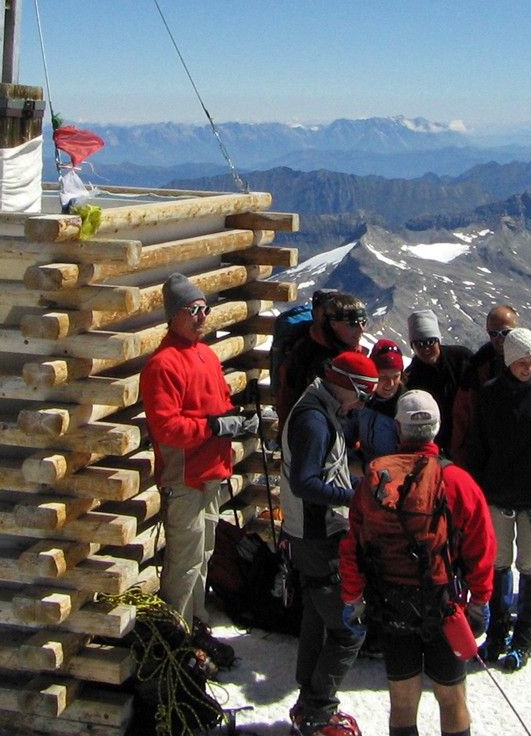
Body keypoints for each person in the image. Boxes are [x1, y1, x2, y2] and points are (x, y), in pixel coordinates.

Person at [341, 391, 496, 736]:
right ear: (436, 429)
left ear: (399, 429)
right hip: (444, 603)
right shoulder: (456, 480)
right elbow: (481, 546)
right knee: (452, 697)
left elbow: (353, 542)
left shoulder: (377, 480)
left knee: (402, 701)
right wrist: (481, 600)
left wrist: (353, 598)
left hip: (390, 600)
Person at [142, 273, 266, 671]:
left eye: (204, 308)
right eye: (192, 310)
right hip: (184, 476)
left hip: (211, 471)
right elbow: (167, 429)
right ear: (172, 316)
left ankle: (195, 623)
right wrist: (215, 427)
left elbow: (216, 407)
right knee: (184, 559)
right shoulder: (163, 365)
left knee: (204, 553)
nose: (201, 316)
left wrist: (235, 421)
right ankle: (174, 638)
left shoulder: (205, 355)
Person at [461, 326, 531, 672]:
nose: (528, 367)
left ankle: (525, 638)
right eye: (522, 361)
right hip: (497, 495)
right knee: (498, 565)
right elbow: (477, 445)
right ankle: (497, 633)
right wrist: (473, 491)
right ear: (509, 359)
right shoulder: (490, 394)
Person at [282, 350, 379, 736]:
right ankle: (318, 709)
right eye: (364, 395)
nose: (362, 404)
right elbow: (304, 482)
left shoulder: (318, 410)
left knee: (316, 617)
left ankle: (309, 703)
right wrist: (355, 495)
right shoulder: (314, 421)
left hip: (305, 533)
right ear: (348, 386)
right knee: (348, 627)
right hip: (318, 534)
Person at [449, 304, 522, 466]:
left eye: (505, 333)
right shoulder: (478, 366)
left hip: (528, 459)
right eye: (493, 334)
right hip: (488, 459)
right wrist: (459, 457)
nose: (499, 338)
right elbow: (462, 415)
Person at [277, 292, 369, 417]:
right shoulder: (319, 361)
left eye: (363, 323)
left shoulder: (342, 348)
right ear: (333, 324)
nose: (361, 329)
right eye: (353, 324)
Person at [402, 311, 475, 454]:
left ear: (438, 341)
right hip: (436, 446)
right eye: (419, 344)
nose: (426, 348)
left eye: (430, 342)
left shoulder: (462, 359)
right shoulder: (411, 377)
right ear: (412, 346)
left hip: (469, 437)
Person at [355, 338, 408, 464]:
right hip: (363, 463)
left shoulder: (405, 407)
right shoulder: (364, 398)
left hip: (389, 474)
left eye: (396, 376)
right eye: (383, 377)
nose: (389, 384)